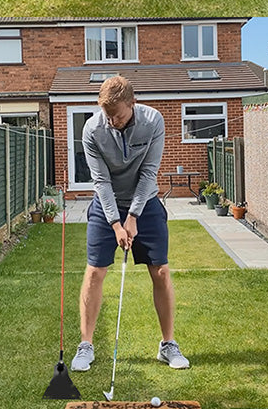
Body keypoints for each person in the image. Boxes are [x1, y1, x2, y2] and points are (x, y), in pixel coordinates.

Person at [70, 75, 190, 372]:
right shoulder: (92, 129)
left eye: (118, 115)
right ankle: (86, 345)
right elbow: (100, 180)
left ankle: (168, 345)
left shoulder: (153, 121)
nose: (112, 121)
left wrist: (133, 217)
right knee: (95, 272)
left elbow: (149, 172)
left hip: (146, 203)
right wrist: (116, 223)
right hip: (106, 204)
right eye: (107, 115)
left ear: (132, 104)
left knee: (160, 271)